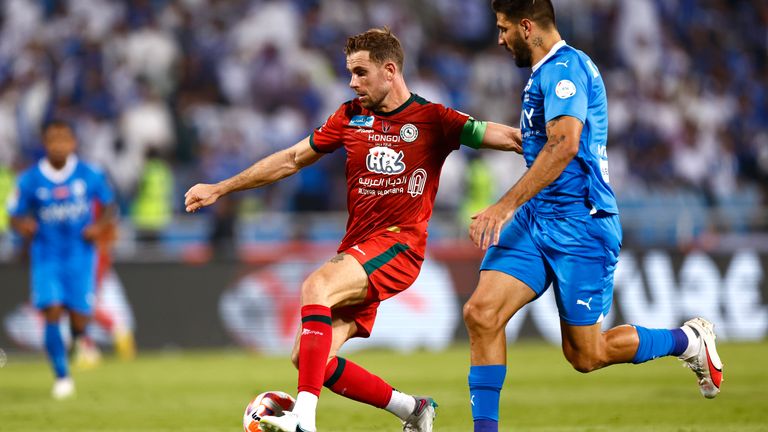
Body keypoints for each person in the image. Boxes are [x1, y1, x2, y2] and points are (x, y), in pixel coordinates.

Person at [185, 27, 521, 432]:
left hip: (400, 245)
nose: (352, 82)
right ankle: (412, 409)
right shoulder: (349, 116)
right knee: (310, 358)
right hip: (359, 249)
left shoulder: (433, 119)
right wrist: (221, 188)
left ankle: (303, 420)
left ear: (390, 70)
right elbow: (292, 159)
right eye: (350, 73)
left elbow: (502, 135)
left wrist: (559, 143)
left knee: (315, 287)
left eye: (361, 73)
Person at [462, 2, 723, 431]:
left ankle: (688, 340)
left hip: (582, 225)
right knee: (481, 313)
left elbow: (564, 145)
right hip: (537, 219)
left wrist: (504, 204)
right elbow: (530, 140)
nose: (499, 39)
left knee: (586, 355)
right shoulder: (543, 73)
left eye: (504, 28)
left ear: (527, 27)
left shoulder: (565, 70)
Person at [8, 120, 116, 399]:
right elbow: (14, 216)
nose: (59, 145)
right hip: (46, 256)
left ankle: (77, 339)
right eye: (53, 140)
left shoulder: (89, 174)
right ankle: (62, 376)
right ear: (45, 144)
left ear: (73, 143)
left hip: (80, 257)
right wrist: (24, 227)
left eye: (64, 139)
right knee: (52, 310)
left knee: (80, 318)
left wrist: (98, 227)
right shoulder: (29, 180)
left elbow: (109, 206)